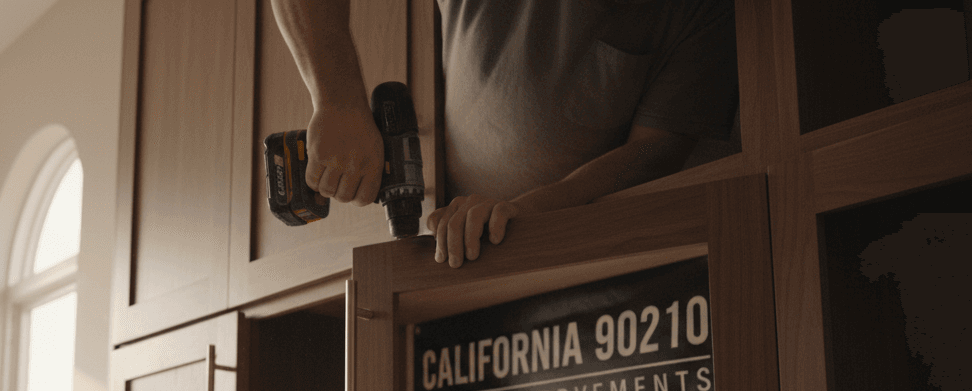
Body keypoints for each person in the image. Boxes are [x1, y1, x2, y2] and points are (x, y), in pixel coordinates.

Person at [270, 0, 739, 267]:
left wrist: (527, 210)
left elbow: (658, 148)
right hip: (456, 251)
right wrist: (337, 100)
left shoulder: (698, 9)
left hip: (592, 245)